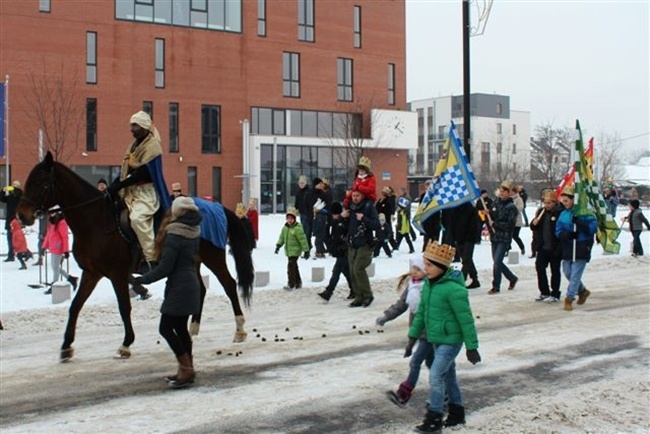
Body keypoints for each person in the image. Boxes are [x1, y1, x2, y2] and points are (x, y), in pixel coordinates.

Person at [407, 241, 481, 432]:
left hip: (451, 340)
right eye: (425, 264)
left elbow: (466, 320)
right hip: (435, 339)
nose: (426, 269)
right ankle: (457, 413)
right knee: (449, 376)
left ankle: (434, 419)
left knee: (436, 375)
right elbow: (421, 313)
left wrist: (472, 347)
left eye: (429, 265)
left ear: (441, 267)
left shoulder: (454, 289)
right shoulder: (430, 286)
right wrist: (412, 337)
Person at [133, 197, 202, 388]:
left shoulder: (174, 234)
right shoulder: (194, 231)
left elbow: (165, 268)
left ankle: (186, 369)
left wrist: (142, 279)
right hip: (191, 284)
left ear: (178, 212)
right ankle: (188, 368)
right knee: (180, 328)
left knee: (166, 328)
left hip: (179, 287)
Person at [107, 110, 171, 271]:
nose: (131, 129)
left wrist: (120, 185)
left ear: (143, 126)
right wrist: (113, 186)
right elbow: (125, 171)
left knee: (137, 219)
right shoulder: (133, 146)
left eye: (134, 125)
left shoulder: (152, 146)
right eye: (131, 125)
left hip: (146, 192)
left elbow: (144, 172)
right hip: (130, 192)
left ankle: (151, 258)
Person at [377, 255, 431, 407]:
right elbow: (401, 305)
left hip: (429, 332)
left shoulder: (429, 287)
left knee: (416, 361)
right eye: (412, 268)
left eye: (418, 269)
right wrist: (386, 316)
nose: (413, 272)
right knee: (433, 364)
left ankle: (404, 393)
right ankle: (445, 394)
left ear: (426, 271)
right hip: (419, 331)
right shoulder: (412, 285)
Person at [555, 186, 598, 311]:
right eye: (563, 200)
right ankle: (582, 291)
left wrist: (580, 223)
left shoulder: (586, 212)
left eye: (566, 200)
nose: (564, 203)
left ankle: (569, 298)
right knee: (568, 272)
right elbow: (558, 231)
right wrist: (566, 234)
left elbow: (592, 228)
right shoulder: (563, 214)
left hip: (582, 245)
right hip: (568, 245)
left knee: (575, 274)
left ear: (574, 199)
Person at [343, 188, 380, 307]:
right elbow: (345, 226)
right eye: (353, 195)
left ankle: (368, 295)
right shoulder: (351, 208)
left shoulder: (369, 207)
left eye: (357, 195)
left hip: (364, 242)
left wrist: (364, 218)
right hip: (352, 242)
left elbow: (376, 225)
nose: (355, 198)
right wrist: (343, 217)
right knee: (352, 271)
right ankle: (359, 297)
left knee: (358, 269)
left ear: (363, 196)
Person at [529, 191, 563, 302]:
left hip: (555, 247)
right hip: (543, 246)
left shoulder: (559, 212)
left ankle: (555, 293)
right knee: (539, 267)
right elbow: (533, 227)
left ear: (554, 202)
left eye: (549, 203)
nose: (547, 205)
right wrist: (534, 223)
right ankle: (544, 291)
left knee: (555, 270)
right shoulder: (541, 212)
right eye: (545, 202)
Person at [487, 181, 519, 294]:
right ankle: (512, 278)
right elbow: (490, 217)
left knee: (497, 261)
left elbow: (510, 225)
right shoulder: (495, 203)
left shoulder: (512, 208)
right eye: (500, 191)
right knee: (497, 261)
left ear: (509, 193)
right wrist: (488, 214)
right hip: (495, 236)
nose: (501, 194)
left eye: (504, 192)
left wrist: (495, 224)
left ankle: (496, 285)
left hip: (504, 238)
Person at [318, 202, 354, 301]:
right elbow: (330, 235)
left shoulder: (344, 221)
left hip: (344, 251)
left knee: (336, 271)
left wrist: (343, 247)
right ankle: (354, 290)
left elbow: (346, 235)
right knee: (346, 271)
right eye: (333, 214)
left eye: (336, 214)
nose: (334, 216)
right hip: (338, 251)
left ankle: (329, 292)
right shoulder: (334, 221)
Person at [42, 205, 78, 294]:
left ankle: (54, 285)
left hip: (58, 247)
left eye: (53, 212)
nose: (51, 214)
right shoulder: (51, 222)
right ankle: (71, 279)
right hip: (52, 247)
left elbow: (65, 237)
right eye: (50, 212)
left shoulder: (62, 222)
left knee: (55, 268)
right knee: (55, 267)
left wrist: (66, 250)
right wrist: (44, 247)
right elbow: (48, 235)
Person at [275, 206, 310, 290]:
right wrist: (278, 246)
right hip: (289, 250)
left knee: (290, 267)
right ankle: (298, 283)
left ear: (294, 219)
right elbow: (282, 238)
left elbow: (303, 240)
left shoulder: (297, 229)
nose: (289, 220)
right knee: (294, 267)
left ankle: (291, 284)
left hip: (295, 251)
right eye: (288, 218)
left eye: (291, 218)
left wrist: (306, 251)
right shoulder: (285, 228)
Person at [450, 202, 480, 289]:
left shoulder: (470, 209)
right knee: (466, 259)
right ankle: (475, 279)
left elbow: (474, 225)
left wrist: (472, 237)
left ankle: (461, 280)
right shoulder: (455, 209)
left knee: (466, 259)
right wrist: (453, 236)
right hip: (459, 238)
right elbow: (452, 223)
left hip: (469, 238)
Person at [1, 180, 23, 262]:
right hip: (10, 220)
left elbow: (20, 194)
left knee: (17, 239)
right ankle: (11, 255)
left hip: (16, 221)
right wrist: (3, 191)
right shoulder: (10, 196)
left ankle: (23, 253)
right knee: (10, 238)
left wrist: (14, 190)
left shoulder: (20, 195)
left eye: (15, 186)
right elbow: (2, 199)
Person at [311, 177, 331, 258]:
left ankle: (320, 251)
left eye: (321, 184)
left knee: (321, 235)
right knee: (319, 234)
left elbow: (328, 205)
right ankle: (320, 250)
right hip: (314, 216)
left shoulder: (324, 194)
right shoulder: (311, 193)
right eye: (319, 184)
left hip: (322, 216)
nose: (321, 185)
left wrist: (324, 212)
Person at [294, 175, 313, 250]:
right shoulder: (298, 192)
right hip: (302, 213)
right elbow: (297, 202)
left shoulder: (309, 191)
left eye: (302, 183)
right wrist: (295, 209)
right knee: (304, 230)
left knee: (307, 230)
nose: (301, 185)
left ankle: (307, 245)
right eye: (300, 183)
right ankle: (308, 244)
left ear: (305, 183)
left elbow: (311, 202)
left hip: (308, 213)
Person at [510, 186, 526, 256]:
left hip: (517, 221)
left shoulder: (519, 199)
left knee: (515, 235)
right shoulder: (509, 199)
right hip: (509, 221)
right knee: (508, 236)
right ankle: (507, 249)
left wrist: (513, 208)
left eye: (511, 192)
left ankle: (522, 247)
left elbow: (520, 207)